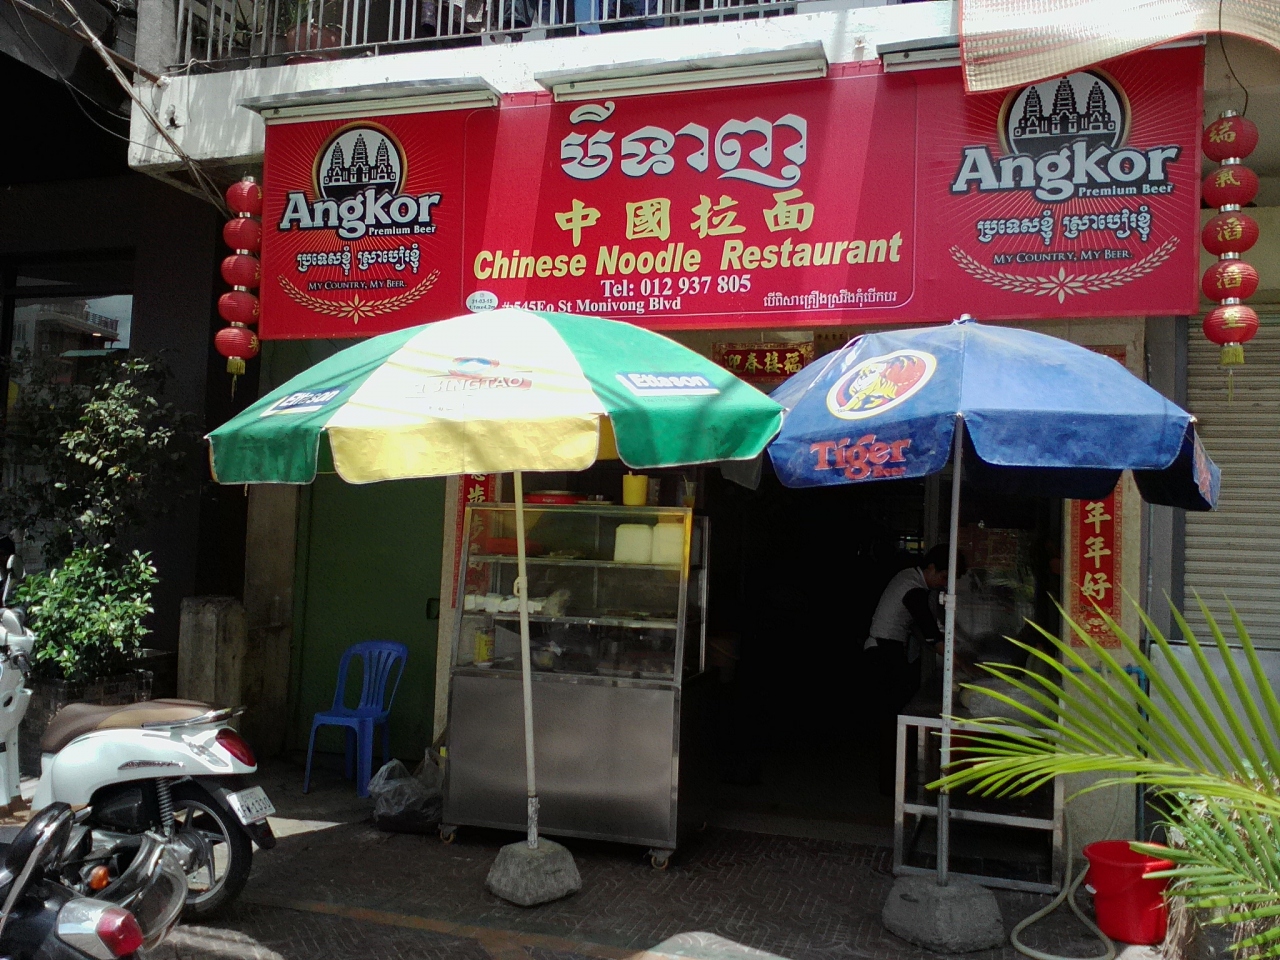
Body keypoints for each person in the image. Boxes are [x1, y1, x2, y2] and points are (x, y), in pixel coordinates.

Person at [865, 543, 967, 794]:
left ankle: (895, 779)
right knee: (893, 720)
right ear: (930, 567)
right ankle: (891, 784)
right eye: (943, 577)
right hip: (883, 653)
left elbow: (922, 631)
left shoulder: (909, 579)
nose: (943, 584)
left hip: (885, 650)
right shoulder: (913, 588)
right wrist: (958, 660)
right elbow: (929, 631)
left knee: (892, 718)